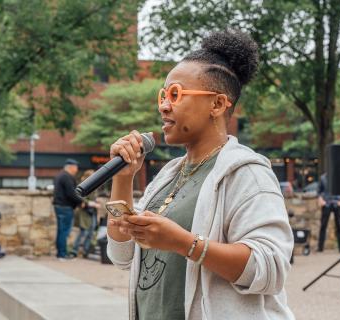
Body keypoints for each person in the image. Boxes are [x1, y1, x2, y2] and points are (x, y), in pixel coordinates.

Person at [107, 29, 295, 320]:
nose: (164, 105)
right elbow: (122, 256)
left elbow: (270, 268)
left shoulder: (247, 172)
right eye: (163, 95)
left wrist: (185, 243)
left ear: (218, 104)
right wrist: (123, 177)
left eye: (175, 94)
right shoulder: (168, 175)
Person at [52, 158, 83, 260]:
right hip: (65, 207)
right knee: (64, 231)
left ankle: (60, 253)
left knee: (61, 231)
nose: (77, 169)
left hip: (59, 206)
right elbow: (71, 193)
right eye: (76, 167)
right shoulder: (67, 177)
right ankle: (62, 254)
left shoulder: (60, 175)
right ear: (71, 167)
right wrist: (81, 202)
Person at [71, 169, 101, 258]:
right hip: (85, 211)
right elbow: (78, 195)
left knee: (91, 232)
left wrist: (96, 202)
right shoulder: (83, 185)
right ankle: (74, 251)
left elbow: (93, 197)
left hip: (93, 212)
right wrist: (90, 203)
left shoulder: (94, 184)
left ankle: (86, 251)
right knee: (83, 232)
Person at [317, 172, 340, 252]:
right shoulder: (323, 178)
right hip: (326, 203)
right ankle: (320, 248)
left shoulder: (339, 177)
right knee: (323, 226)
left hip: (337, 203)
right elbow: (319, 192)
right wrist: (321, 200)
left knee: (339, 226)